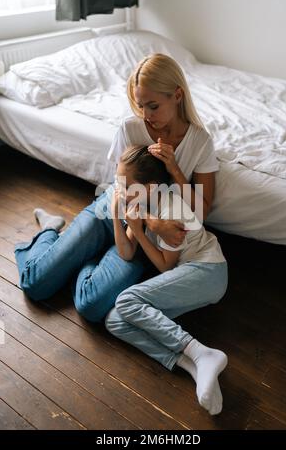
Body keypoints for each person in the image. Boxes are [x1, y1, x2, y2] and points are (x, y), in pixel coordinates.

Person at [14, 52, 220, 321]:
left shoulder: (200, 142)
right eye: (140, 105)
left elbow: (201, 211)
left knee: (94, 305)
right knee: (35, 285)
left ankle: (83, 257)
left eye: (153, 105)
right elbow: (119, 188)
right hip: (112, 210)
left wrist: (175, 169)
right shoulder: (131, 128)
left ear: (177, 95)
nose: (146, 115)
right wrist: (152, 221)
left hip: (140, 236)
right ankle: (50, 231)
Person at [106, 144, 228, 416]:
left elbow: (164, 266)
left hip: (208, 271)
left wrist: (137, 230)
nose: (119, 189)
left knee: (127, 299)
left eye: (125, 184)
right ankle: (193, 364)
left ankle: (200, 352)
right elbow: (126, 253)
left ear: (149, 187)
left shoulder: (171, 209)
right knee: (115, 319)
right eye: (118, 181)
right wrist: (118, 215)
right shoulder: (138, 204)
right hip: (192, 273)